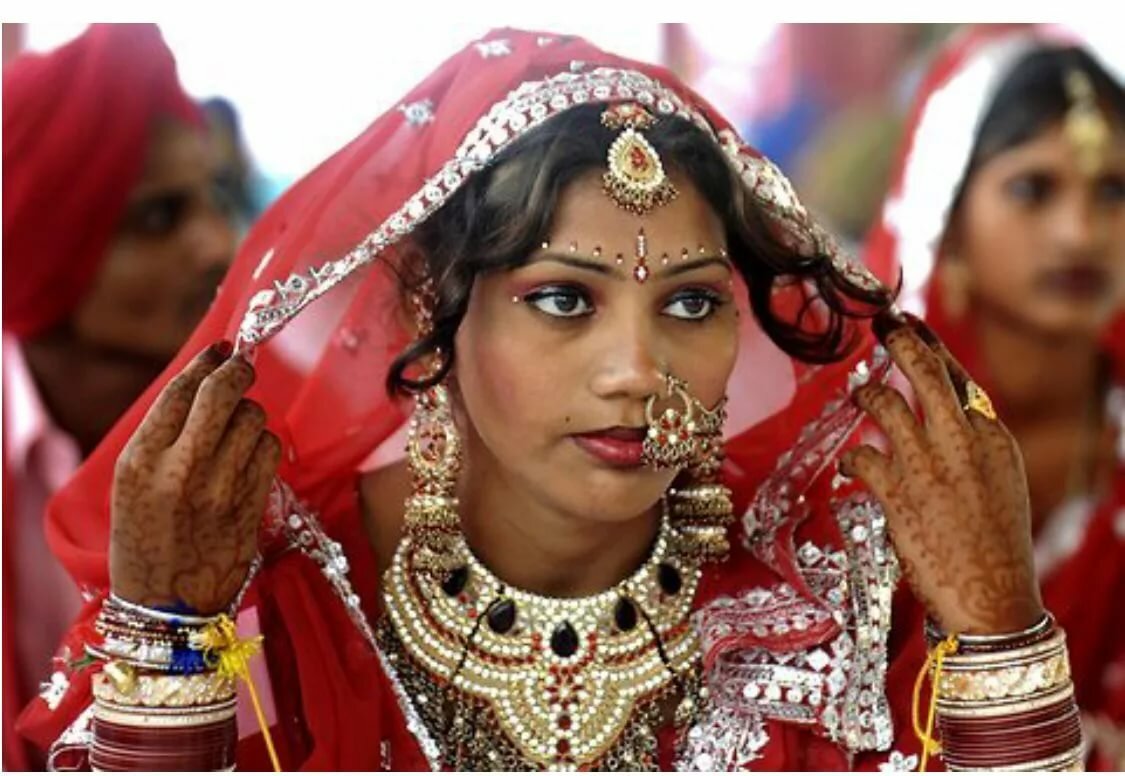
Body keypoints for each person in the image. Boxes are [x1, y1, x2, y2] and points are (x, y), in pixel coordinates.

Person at [17, 28, 1084, 771]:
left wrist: (1000, 631)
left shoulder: (837, 600)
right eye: (564, 299)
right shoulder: (264, 603)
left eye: (692, 302)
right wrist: (167, 642)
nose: (637, 370)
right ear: (435, 306)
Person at [865, 24, 1125, 768]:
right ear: (945, 219)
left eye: (1114, 190)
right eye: (1032, 189)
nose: (1080, 234)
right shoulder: (868, 440)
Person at [2, 23, 238, 769]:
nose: (218, 245)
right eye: (158, 217)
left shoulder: (256, 427)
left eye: (215, 199)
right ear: (42, 246)